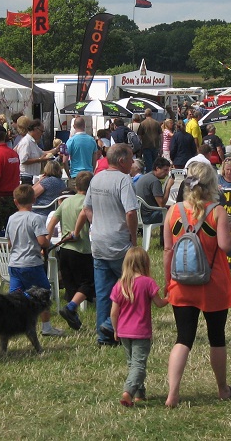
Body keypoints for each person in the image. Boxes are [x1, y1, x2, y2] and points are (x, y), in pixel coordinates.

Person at [163, 161, 231, 407]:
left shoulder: (173, 212)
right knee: (217, 337)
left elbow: (167, 251)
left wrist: (168, 282)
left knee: (183, 338)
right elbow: (225, 246)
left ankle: (173, 393)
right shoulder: (217, 211)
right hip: (213, 282)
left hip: (181, 283)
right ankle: (222, 389)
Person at [79, 144, 139, 346]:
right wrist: (133, 237)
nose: (132, 163)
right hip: (119, 242)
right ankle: (111, 326)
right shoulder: (123, 180)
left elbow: (87, 207)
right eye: (130, 159)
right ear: (121, 161)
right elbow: (130, 212)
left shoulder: (96, 178)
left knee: (103, 292)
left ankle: (104, 335)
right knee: (130, 287)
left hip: (98, 242)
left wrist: (97, 225)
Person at [110, 246, 170, 407]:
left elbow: (114, 312)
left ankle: (139, 394)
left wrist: (115, 329)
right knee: (139, 364)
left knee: (132, 363)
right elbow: (159, 303)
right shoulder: (147, 282)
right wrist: (169, 298)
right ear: (145, 263)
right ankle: (128, 392)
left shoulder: (120, 284)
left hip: (123, 331)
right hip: (141, 332)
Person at [6, 184, 63, 336]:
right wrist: (47, 242)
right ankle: (46, 327)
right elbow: (42, 242)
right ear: (34, 199)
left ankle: (12, 325)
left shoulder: (11, 218)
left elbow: (9, 242)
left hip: (14, 263)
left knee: (14, 296)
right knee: (43, 293)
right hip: (31, 263)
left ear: (15, 201)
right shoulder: (35, 218)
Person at [49, 171, 94, 331]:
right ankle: (71, 308)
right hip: (81, 249)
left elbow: (52, 223)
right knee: (89, 283)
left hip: (64, 249)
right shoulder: (87, 202)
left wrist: (46, 242)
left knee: (71, 285)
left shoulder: (66, 202)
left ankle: (73, 314)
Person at [135, 157, 174, 225]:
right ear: (157, 168)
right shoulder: (155, 181)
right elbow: (161, 204)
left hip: (139, 215)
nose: (167, 173)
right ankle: (166, 232)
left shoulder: (146, 177)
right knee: (175, 212)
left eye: (168, 170)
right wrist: (168, 187)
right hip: (148, 217)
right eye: (165, 170)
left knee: (170, 208)